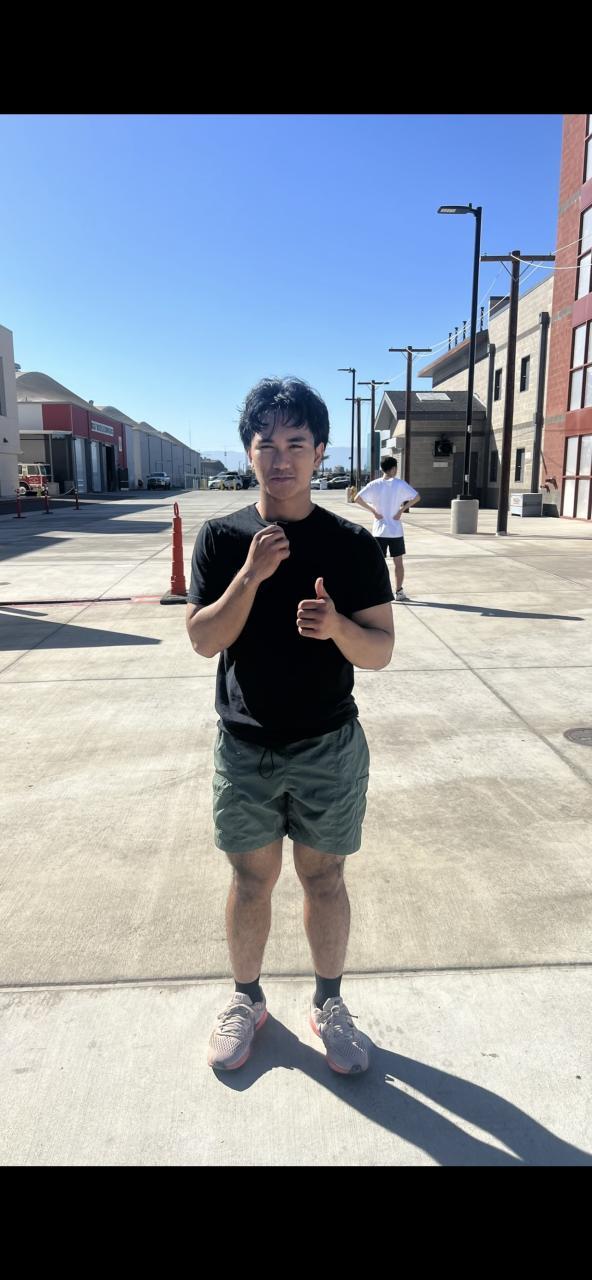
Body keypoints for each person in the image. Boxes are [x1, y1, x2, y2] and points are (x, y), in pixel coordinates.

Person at [186, 376, 394, 1075]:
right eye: (266, 444)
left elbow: (381, 650)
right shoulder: (222, 539)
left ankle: (330, 1004)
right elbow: (203, 641)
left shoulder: (352, 545)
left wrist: (337, 627)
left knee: (324, 878)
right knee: (251, 881)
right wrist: (250, 576)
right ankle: (246, 1000)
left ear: (320, 451)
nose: (281, 459)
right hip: (245, 745)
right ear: (248, 453)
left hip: (327, 745)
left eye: (296, 444)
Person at [354, 457, 420, 602]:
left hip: (379, 530)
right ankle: (399, 592)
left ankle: (378, 591)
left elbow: (357, 498)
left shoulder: (374, 484)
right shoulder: (399, 484)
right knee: (398, 563)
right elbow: (416, 497)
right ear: (393, 468)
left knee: (378, 563)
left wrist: (374, 511)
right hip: (395, 531)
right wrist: (401, 510)